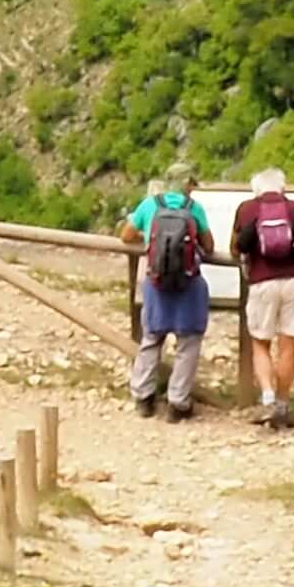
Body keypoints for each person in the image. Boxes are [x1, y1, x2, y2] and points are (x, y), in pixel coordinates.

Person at [229, 165, 294, 432]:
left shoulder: (246, 209)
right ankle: (283, 404)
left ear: (256, 188)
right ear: (282, 187)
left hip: (263, 282)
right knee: (288, 345)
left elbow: (235, 249)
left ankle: (268, 397)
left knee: (261, 342)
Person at [123, 164, 215, 420]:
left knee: (151, 338)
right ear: (187, 184)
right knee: (189, 341)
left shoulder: (149, 204)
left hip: (156, 283)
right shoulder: (194, 209)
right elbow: (208, 246)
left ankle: (143, 397)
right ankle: (178, 402)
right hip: (188, 284)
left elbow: (125, 235)